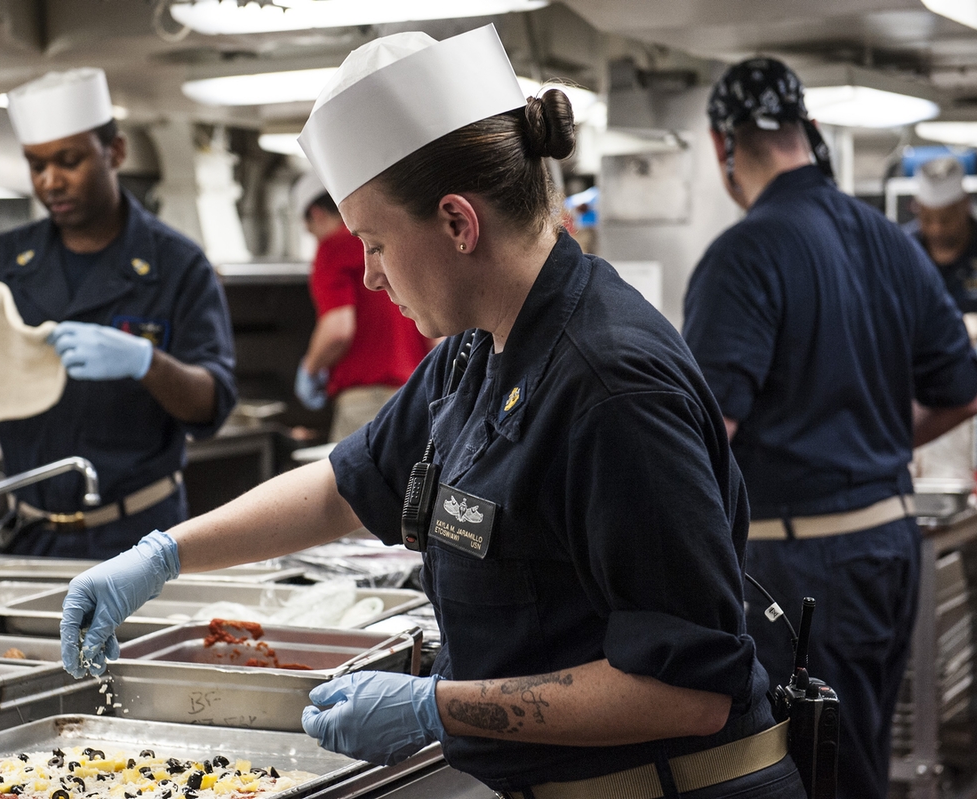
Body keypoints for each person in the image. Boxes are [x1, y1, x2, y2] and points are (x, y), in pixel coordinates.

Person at [59, 26, 805, 798]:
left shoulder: (611, 388)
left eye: (375, 244)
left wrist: (436, 709)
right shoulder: (478, 350)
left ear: (457, 222)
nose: (372, 278)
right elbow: (346, 484)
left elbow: (685, 690)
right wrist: (163, 556)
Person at [683, 58, 977, 799]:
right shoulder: (889, 240)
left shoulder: (744, 254)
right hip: (889, 549)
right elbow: (963, 390)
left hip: (801, 570)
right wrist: (871, 439)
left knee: (809, 777)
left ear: (725, 150)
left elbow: (701, 434)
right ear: (809, 134)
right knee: (860, 767)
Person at [0, 68, 237, 559]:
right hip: (29, 538)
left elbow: (212, 405)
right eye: (37, 165)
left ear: (116, 152)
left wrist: (146, 362)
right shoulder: (3, 261)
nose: (50, 181)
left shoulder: (177, 264)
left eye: (69, 161)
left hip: (138, 536)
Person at [291, 172, 431, 441]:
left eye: (309, 228)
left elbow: (338, 329)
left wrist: (310, 369)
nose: (313, 236)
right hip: (416, 394)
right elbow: (435, 334)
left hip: (366, 404)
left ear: (316, 213)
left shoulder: (332, 249)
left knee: (352, 483)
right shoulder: (387, 241)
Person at [905, 156, 977, 372]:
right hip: (923, 381)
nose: (937, 229)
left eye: (946, 219)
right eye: (927, 219)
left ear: (965, 205)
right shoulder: (904, 252)